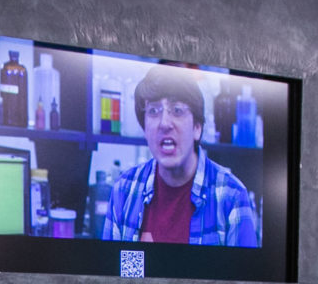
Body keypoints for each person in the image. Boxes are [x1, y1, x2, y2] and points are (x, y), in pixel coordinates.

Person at [99, 64, 260, 247]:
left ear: (197, 128)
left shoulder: (231, 195)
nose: (164, 123)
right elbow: (114, 265)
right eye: (153, 111)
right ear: (144, 129)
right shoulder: (124, 189)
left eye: (177, 110)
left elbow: (242, 267)